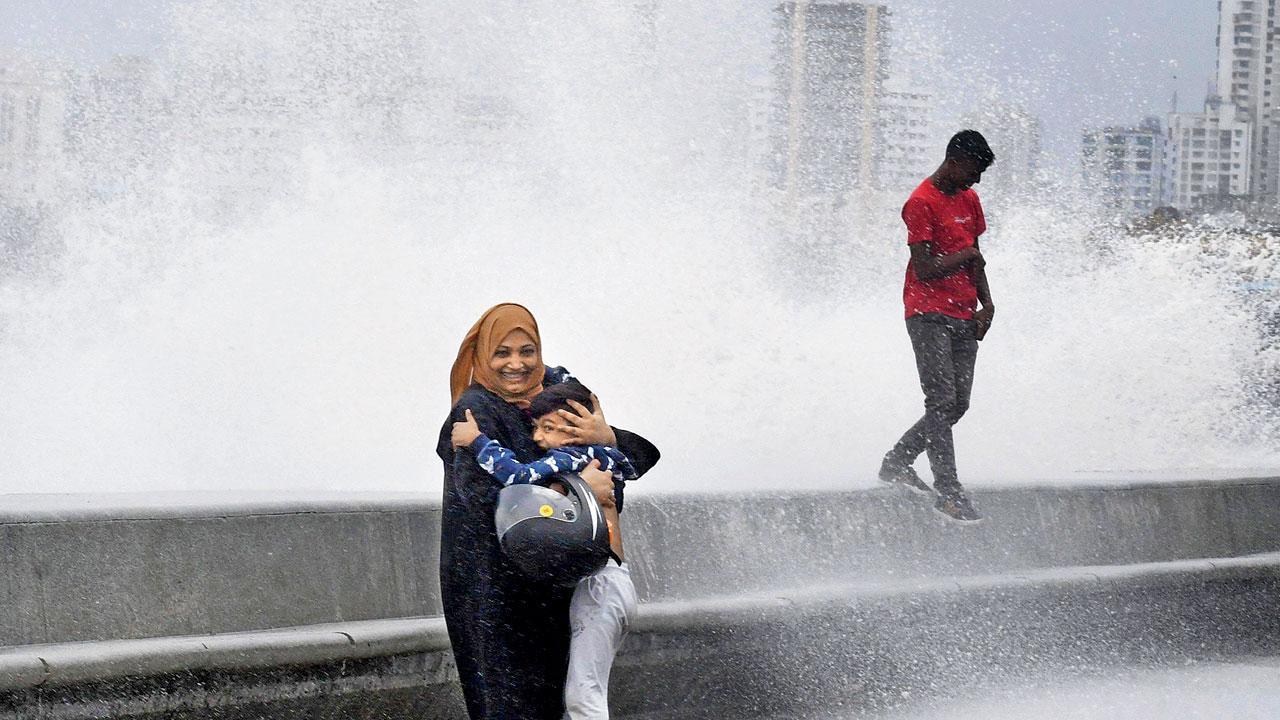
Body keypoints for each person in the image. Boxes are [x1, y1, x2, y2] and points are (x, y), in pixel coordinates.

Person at [437, 303, 660, 720]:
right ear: (483, 355)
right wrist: (575, 489)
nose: (516, 364)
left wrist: (606, 436)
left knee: (564, 701)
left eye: (527, 351)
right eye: (502, 353)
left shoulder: (555, 397)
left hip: (556, 586)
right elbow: (483, 500)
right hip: (495, 594)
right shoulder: (474, 412)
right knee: (511, 704)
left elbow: (635, 461)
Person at [451, 381, 637, 720]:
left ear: (574, 429)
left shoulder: (571, 457)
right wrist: (604, 440)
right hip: (612, 583)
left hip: (599, 587)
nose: (537, 438)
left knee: (584, 698)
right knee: (581, 694)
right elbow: (629, 472)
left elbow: (519, 476)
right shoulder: (605, 455)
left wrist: (476, 441)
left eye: (547, 428)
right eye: (536, 427)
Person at [878, 130, 996, 523]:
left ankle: (897, 461)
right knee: (941, 400)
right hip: (928, 314)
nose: (977, 180)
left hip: (965, 315)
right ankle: (949, 492)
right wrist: (964, 255)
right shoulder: (920, 203)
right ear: (955, 161)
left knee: (958, 404)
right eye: (974, 171)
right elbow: (925, 269)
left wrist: (988, 304)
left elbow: (977, 258)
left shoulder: (971, 200)